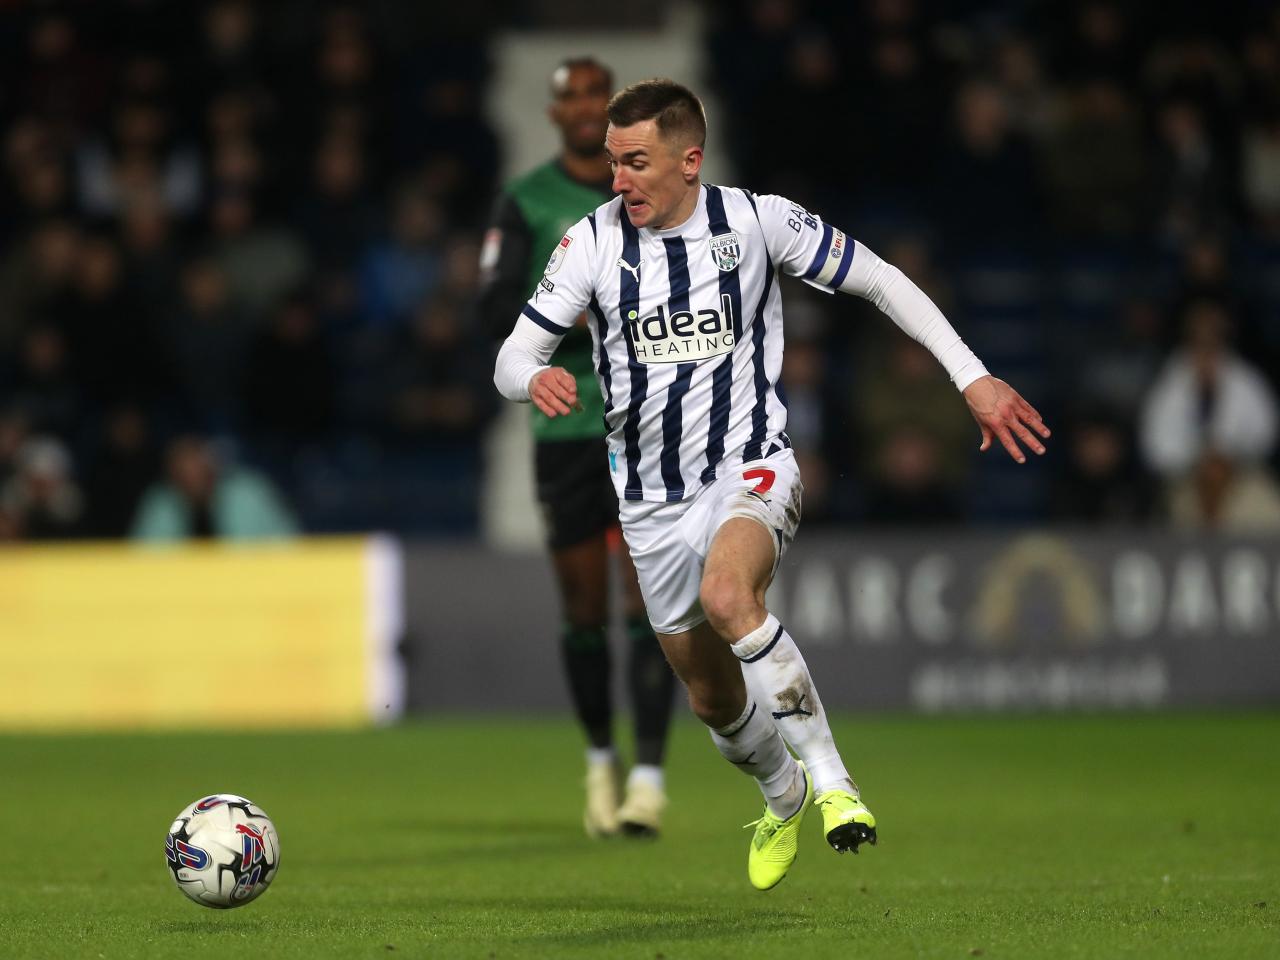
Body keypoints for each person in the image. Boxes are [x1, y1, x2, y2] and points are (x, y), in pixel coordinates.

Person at [495, 79, 1051, 889]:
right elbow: (513, 352)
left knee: (730, 597)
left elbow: (882, 280)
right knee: (714, 703)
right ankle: (781, 791)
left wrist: (973, 377)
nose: (617, 181)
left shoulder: (758, 222)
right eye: (612, 163)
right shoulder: (589, 244)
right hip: (650, 501)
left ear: (690, 161)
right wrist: (532, 380)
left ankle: (832, 784)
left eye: (635, 163)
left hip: (749, 465)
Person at [478, 59, 677, 838]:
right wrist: (572, 327)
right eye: (570, 96)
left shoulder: (657, 191)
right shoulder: (528, 202)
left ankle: (650, 780)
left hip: (652, 425)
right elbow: (494, 307)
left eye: (596, 94)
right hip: (566, 430)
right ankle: (602, 763)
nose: (584, 107)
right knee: (586, 608)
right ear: (555, 112)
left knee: (654, 604)